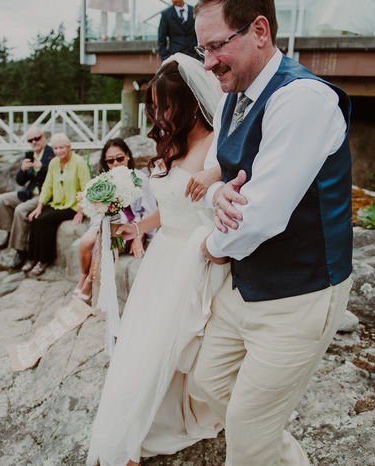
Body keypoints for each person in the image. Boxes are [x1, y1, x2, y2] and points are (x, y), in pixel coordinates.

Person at [192, 1, 353, 465]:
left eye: (217, 46)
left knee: (247, 429)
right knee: (210, 380)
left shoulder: (302, 99)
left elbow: (260, 216)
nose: (207, 63)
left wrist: (209, 245)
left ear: (259, 30)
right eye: (201, 49)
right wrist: (217, 191)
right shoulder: (232, 95)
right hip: (246, 287)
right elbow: (210, 177)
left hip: (300, 293)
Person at [86, 54, 224, 466]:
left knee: (174, 344)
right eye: (155, 107)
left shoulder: (217, 143)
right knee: (146, 345)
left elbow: (233, 193)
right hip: (164, 256)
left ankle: (164, 420)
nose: (160, 115)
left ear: (192, 102)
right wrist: (138, 225)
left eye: (167, 106)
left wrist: (215, 176)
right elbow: (172, 206)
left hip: (196, 259)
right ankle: (139, 426)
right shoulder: (173, 144)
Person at [74, 138, 157, 301]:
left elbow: (149, 211)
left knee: (102, 241)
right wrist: (99, 227)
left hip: (132, 225)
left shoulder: (140, 179)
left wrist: (138, 237)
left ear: (128, 156)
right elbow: (98, 212)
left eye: (120, 158)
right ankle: (83, 276)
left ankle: (90, 281)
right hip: (106, 222)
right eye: (110, 161)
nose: (116, 164)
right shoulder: (104, 180)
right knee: (85, 241)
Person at [22, 132, 91, 276]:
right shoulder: (54, 163)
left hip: (72, 206)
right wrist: (39, 207)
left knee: (45, 220)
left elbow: (86, 188)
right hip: (57, 203)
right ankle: (32, 257)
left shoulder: (79, 162)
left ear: (69, 147)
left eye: (62, 148)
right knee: (35, 218)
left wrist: (80, 211)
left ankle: (44, 259)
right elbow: (47, 186)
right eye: (55, 148)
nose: (58, 151)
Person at [0, 126, 55, 269]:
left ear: (43, 137)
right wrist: (22, 169)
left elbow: (55, 175)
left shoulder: (52, 153)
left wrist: (41, 168)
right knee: (4, 199)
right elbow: (20, 181)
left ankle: (20, 250)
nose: (34, 142)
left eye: (36, 138)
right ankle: (9, 235)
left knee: (20, 210)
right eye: (30, 140)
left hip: (43, 195)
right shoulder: (29, 155)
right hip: (28, 193)